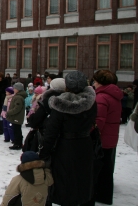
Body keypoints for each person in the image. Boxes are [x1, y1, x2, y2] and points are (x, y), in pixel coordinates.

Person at [39, 71, 97, 205]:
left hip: (65, 147)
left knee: (65, 181)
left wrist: (43, 154)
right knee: (83, 178)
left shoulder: (60, 104)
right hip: (85, 144)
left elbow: (51, 132)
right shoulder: (91, 102)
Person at [86, 70, 122, 205]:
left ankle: (99, 194)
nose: (94, 83)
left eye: (95, 81)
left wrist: (88, 131)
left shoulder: (102, 97)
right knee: (107, 167)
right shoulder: (114, 95)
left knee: (98, 169)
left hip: (102, 138)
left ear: (101, 82)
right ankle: (105, 195)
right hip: (111, 137)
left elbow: (98, 120)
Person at [24, 78, 66, 153]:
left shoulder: (48, 100)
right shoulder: (69, 100)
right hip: (65, 139)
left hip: (47, 135)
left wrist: (32, 115)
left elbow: (35, 120)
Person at [6, 82, 27, 150]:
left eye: (15, 88)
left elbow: (17, 108)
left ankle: (17, 144)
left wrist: (9, 112)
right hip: (16, 116)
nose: (14, 89)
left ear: (18, 89)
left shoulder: (18, 97)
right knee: (16, 130)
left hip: (16, 117)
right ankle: (18, 143)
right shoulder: (17, 96)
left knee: (17, 130)